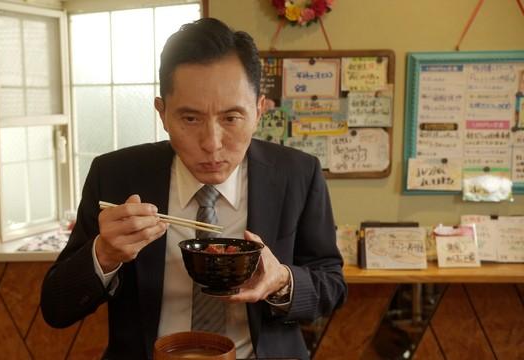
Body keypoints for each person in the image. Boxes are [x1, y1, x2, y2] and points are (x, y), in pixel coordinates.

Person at [41, 17, 346, 360]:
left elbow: (331, 284)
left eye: (231, 118)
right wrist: (104, 255)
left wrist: (281, 281)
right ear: (163, 113)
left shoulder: (297, 173)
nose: (212, 144)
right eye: (190, 119)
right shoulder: (116, 176)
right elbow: (56, 308)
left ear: (259, 110)